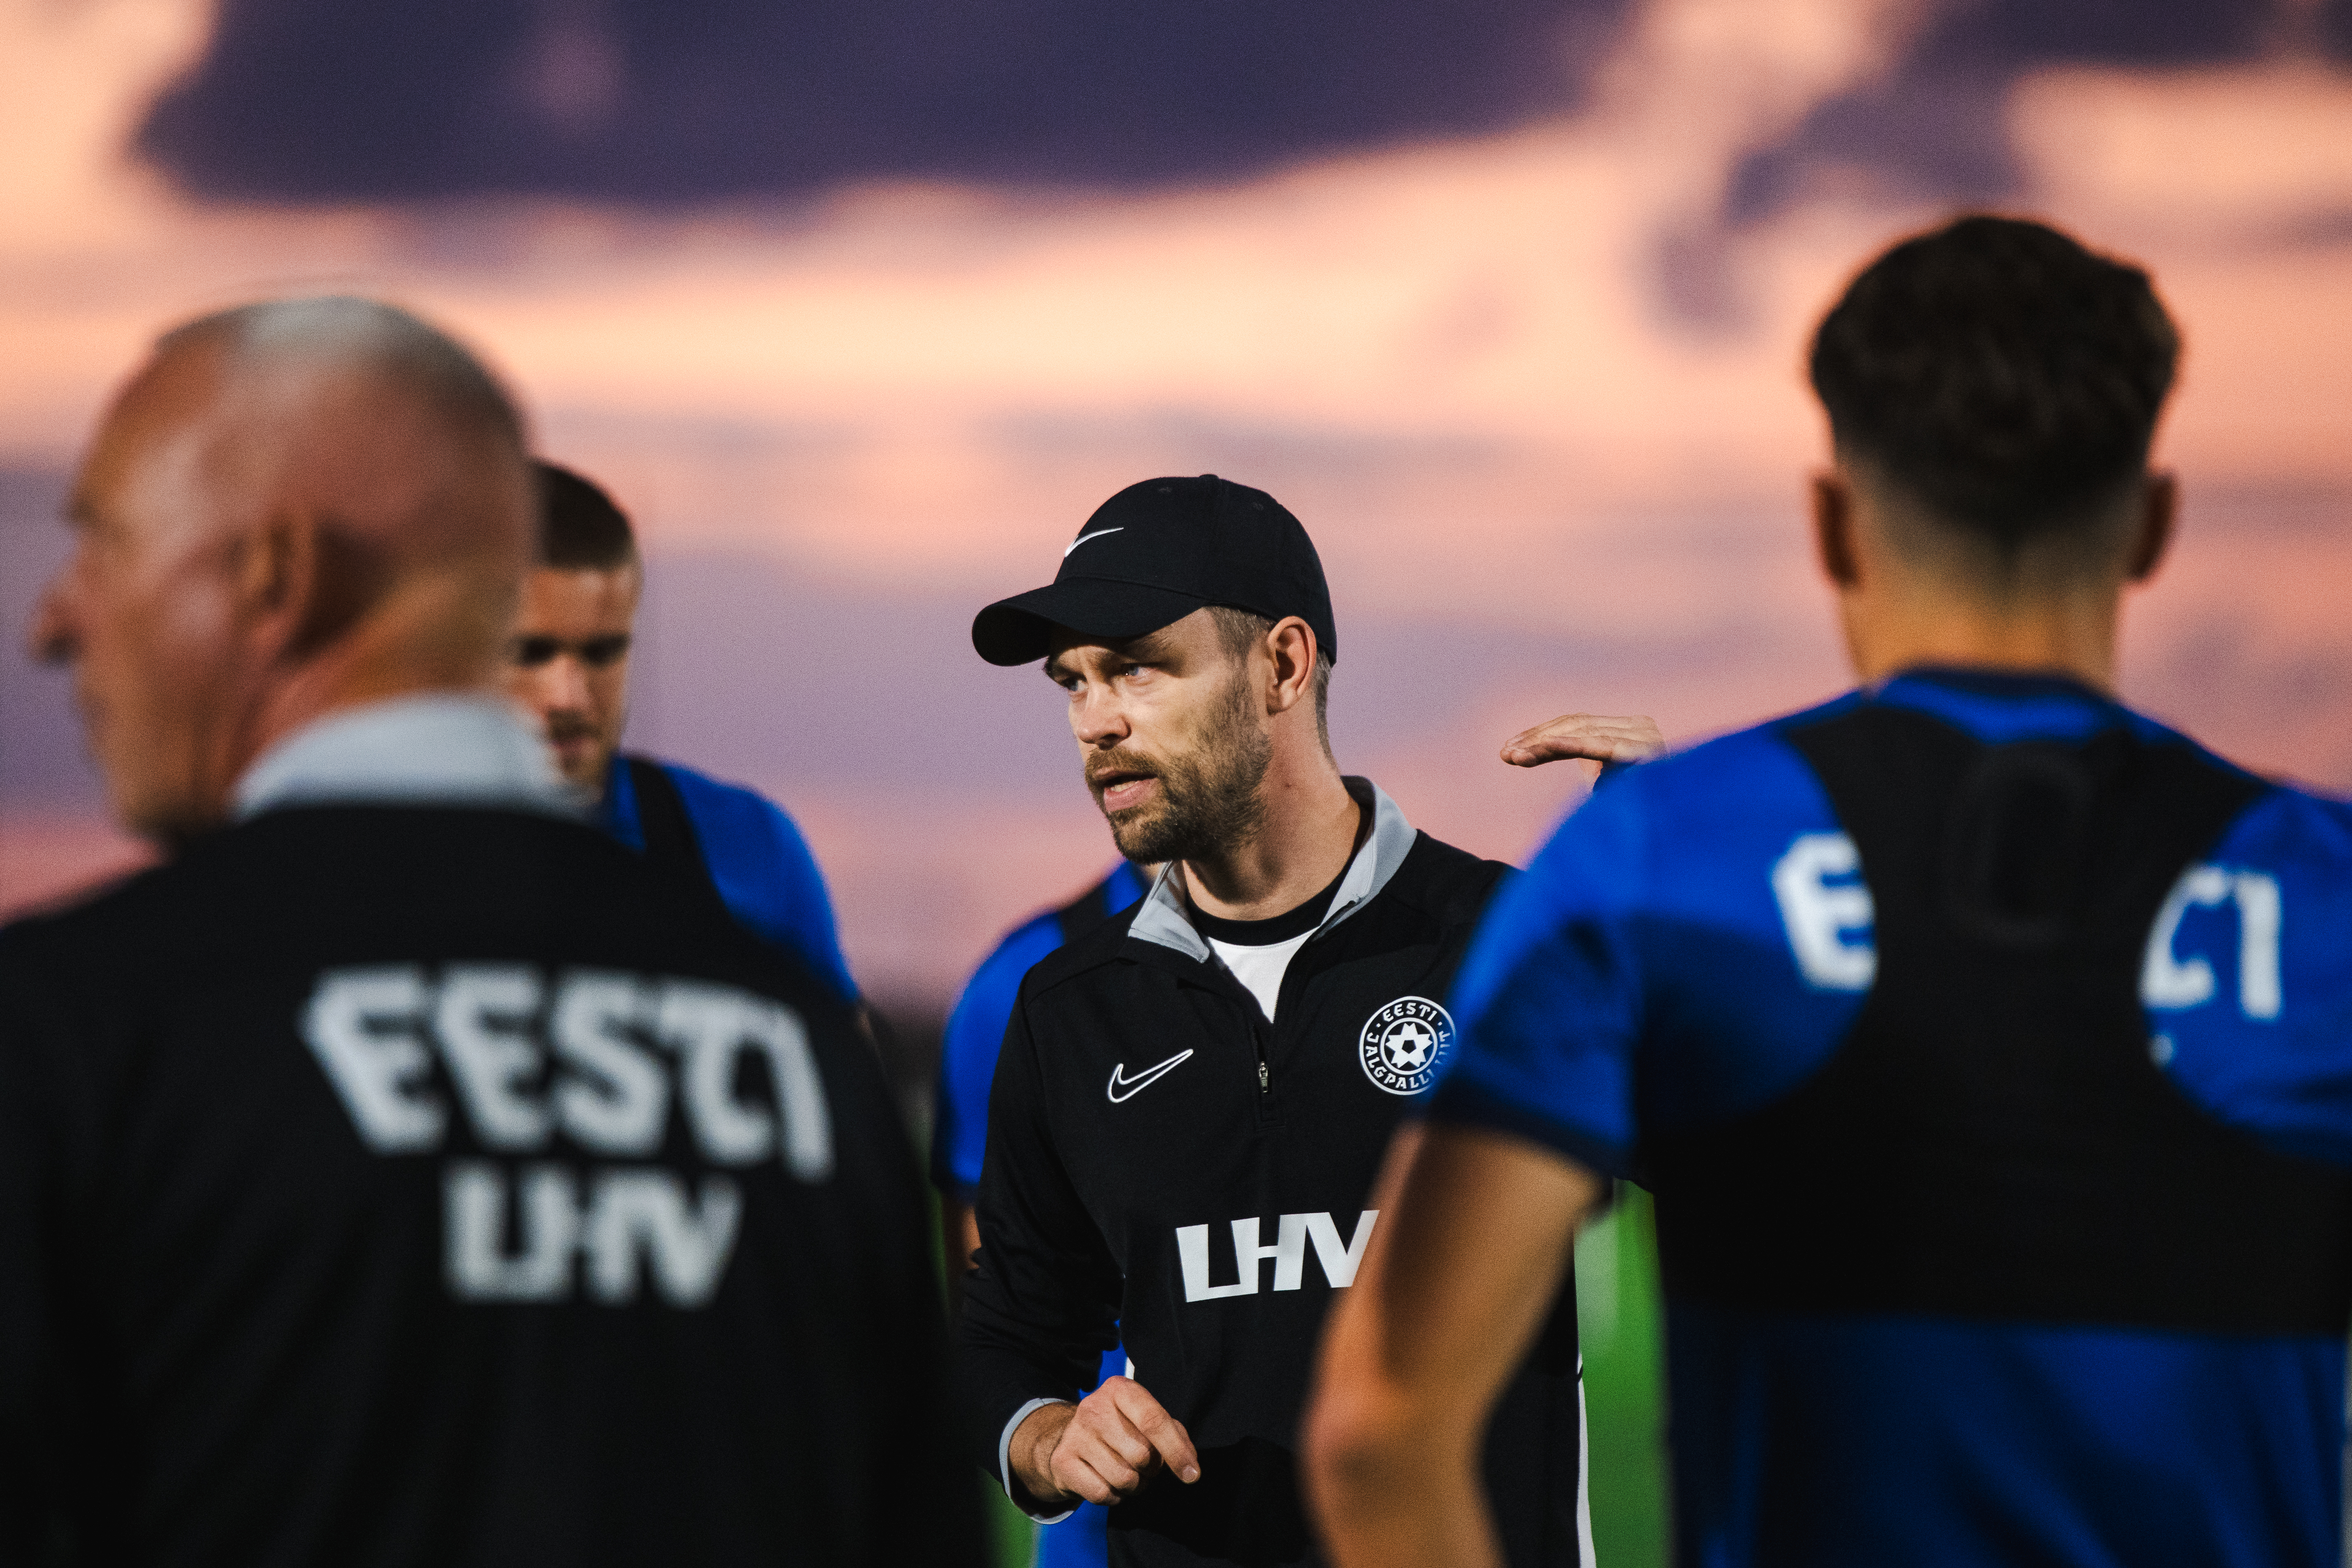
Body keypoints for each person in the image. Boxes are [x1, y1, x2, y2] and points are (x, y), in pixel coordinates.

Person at [1304, 215, 2352, 1568]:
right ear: (2151, 522)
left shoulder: (1659, 863)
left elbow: (1379, 1431)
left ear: (1829, 524)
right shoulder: (2320, 890)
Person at [2, 297, 982, 1566]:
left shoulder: (72, 1032)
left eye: (101, 540)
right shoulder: (801, 1060)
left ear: (274, 575)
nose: (54, 618)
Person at [956, 473, 1659, 1568]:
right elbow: (1009, 1328)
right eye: (1074, 680)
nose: (1095, 718)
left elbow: (1768, 1171)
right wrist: (1042, 1433)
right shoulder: (1069, 1007)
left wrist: (1679, 922)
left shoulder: (1504, 942)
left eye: (1137, 665)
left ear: (1281, 663)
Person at [506, 459, 855, 1000]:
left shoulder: (750, 846)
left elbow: (840, 1072)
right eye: (532, 653)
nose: (570, 696)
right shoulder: (365, 862)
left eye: (603, 653)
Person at [932, 858, 1156, 1568]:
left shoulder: (1445, 937)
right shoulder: (1025, 981)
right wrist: (1047, 1437)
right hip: (1108, 1537)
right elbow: (993, 1326)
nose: (1107, 736)